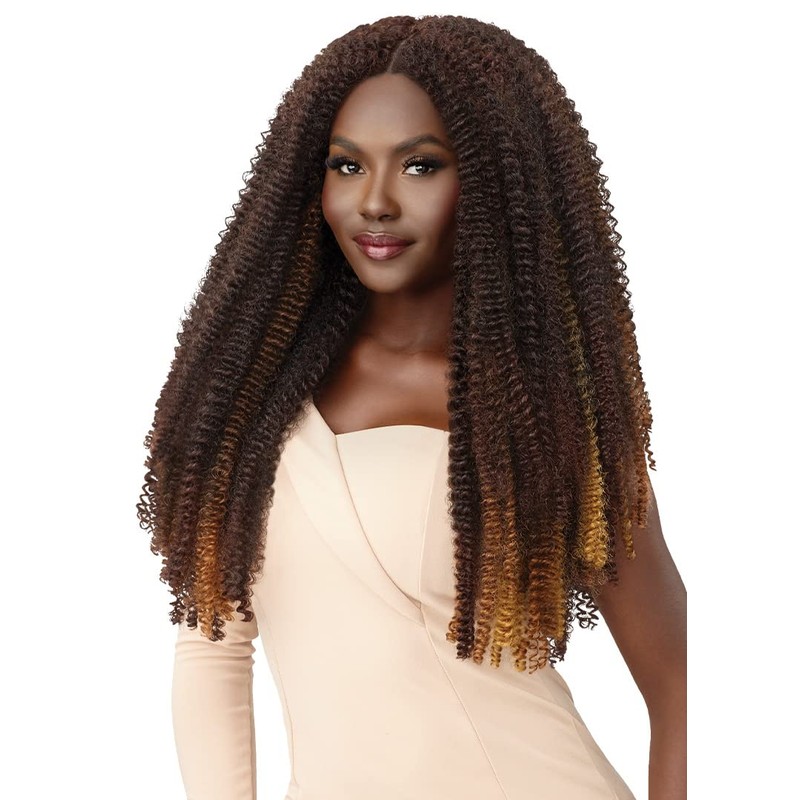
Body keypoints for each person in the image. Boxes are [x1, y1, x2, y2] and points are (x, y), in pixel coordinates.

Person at [138, 14, 687, 800]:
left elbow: (682, 685)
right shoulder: (247, 396)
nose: (376, 202)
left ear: (496, 185)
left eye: (421, 166)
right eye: (347, 165)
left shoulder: (546, 417)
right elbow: (210, 649)